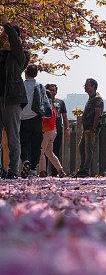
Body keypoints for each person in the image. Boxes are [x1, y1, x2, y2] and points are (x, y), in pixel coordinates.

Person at [0, 14, 28, 179]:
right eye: (3, 38)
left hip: (13, 100)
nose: (6, 40)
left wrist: (7, 25)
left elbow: (16, 45)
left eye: (8, 38)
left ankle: (13, 170)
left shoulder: (20, 57)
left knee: (13, 137)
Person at [75, 78, 103, 177]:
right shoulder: (91, 98)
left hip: (92, 128)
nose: (85, 87)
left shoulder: (97, 99)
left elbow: (98, 114)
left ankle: (85, 170)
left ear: (93, 87)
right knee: (81, 147)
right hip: (86, 128)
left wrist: (93, 129)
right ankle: (81, 168)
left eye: (87, 85)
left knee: (88, 149)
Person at [20, 65, 44, 177]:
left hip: (23, 118)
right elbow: (45, 103)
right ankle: (33, 168)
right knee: (36, 144)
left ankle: (25, 159)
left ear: (26, 73)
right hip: (36, 118)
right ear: (36, 74)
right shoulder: (39, 86)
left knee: (24, 142)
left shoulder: (21, 85)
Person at [37, 87, 65, 177]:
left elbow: (44, 118)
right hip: (53, 131)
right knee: (49, 152)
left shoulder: (46, 106)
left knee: (41, 152)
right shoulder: (53, 106)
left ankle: (42, 171)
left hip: (47, 131)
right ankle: (60, 170)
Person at [45, 84, 68, 175]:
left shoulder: (61, 102)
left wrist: (67, 129)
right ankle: (44, 171)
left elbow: (65, 116)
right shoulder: (44, 102)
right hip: (46, 129)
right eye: (50, 90)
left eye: (54, 90)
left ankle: (55, 172)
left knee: (55, 150)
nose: (52, 92)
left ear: (56, 92)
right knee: (45, 151)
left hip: (57, 130)